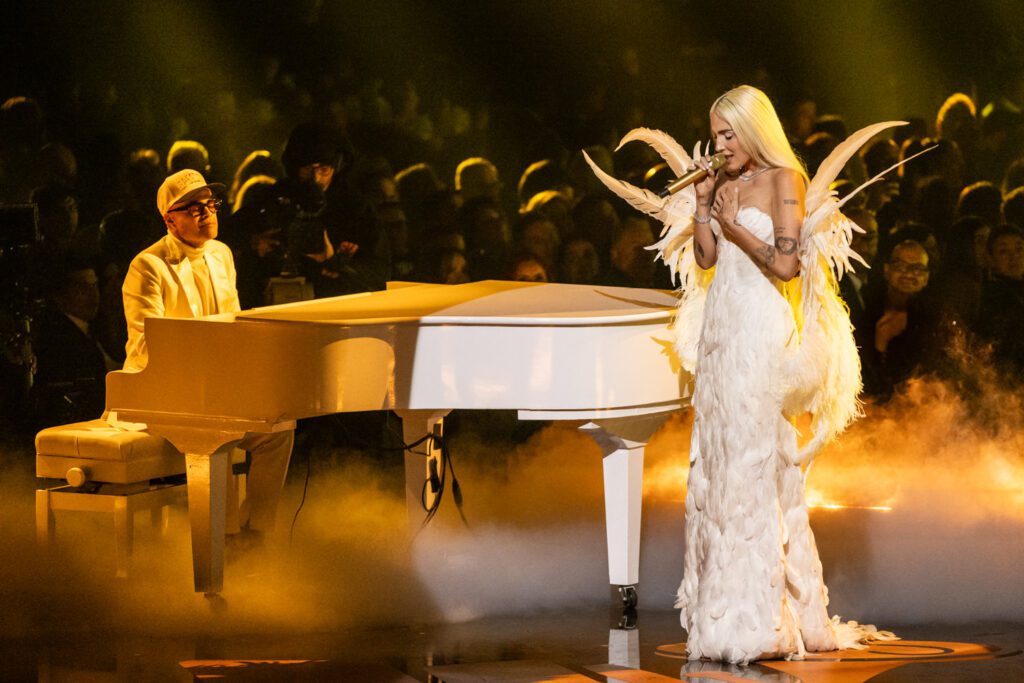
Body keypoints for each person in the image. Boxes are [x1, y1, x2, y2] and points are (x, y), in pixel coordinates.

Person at [589, 85, 893, 664]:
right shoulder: (723, 183)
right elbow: (703, 260)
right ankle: (720, 616)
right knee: (719, 466)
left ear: (755, 132)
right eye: (716, 134)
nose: (721, 145)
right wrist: (704, 205)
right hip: (722, 333)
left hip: (760, 332)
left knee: (755, 467)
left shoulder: (786, 181)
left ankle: (762, 622)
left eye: (730, 135)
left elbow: (787, 263)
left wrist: (736, 228)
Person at [122, 169, 294, 542]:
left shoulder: (222, 254)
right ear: (170, 219)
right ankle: (217, 541)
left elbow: (232, 324)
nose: (206, 212)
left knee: (278, 428)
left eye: (210, 204)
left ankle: (255, 534)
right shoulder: (147, 266)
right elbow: (146, 345)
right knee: (221, 431)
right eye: (193, 207)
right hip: (162, 393)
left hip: (215, 387)